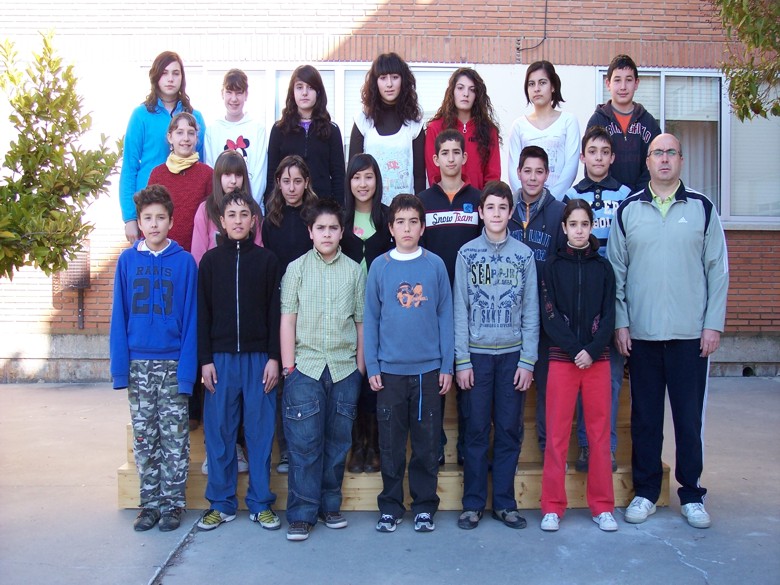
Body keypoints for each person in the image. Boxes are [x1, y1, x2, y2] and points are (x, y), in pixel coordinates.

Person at [607, 133, 728, 529]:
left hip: (690, 337)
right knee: (645, 419)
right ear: (647, 161)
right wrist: (621, 322)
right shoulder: (629, 210)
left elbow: (718, 270)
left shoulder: (702, 209)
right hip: (641, 336)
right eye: (657, 153)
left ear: (681, 160)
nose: (663, 159)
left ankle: (691, 494)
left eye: (670, 152)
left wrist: (712, 324)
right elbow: (616, 273)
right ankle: (645, 492)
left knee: (688, 420)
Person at [364, 194, 454, 534]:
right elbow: (371, 318)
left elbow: (445, 315)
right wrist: (372, 365)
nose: (406, 228)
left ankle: (424, 506)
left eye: (413, 222)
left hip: (428, 371)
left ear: (422, 227)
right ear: (390, 228)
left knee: (426, 444)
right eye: (400, 222)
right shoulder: (380, 267)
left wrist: (446, 365)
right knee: (390, 444)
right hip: (389, 372)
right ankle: (390, 506)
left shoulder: (434, 265)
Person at [109, 184, 197, 533]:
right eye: (148, 218)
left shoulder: (185, 263)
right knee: (145, 438)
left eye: (161, 217)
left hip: (173, 364)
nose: (155, 224)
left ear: (171, 222)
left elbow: (191, 319)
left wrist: (187, 372)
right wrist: (120, 369)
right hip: (138, 365)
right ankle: (150, 504)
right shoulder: (127, 261)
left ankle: (173, 503)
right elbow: (119, 317)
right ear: (140, 223)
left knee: (175, 438)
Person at [453, 181, 539, 531]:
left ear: (511, 212)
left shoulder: (524, 256)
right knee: (475, 431)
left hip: (512, 357)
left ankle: (504, 503)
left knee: (508, 429)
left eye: (503, 207)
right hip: (477, 357)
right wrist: (462, 360)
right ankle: (473, 504)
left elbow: (531, 310)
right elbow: (460, 310)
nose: (497, 213)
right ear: (481, 212)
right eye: (490, 207)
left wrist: (528, 361)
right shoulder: (466, 254)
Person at [196, 190, 282, 532]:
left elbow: (275, 314)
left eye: (244, 214)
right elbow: (202, 315)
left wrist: (274, 357)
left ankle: (260, 504)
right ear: (221, 221)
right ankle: (221, 504)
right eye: (231, 215)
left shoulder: (267, 261)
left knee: (260, 433)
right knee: (220, 432)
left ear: (253, 221)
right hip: (220, 361)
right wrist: (205, 360)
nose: (237, 220)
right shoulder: (210, 262)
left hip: (259, 360)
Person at [280, 198, 365, 542]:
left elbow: (361, 322)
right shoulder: (297, 269)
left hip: (344, 369)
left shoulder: (354, 271)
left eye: (333, 228)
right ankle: (302, 514)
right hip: (306, 367)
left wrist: (360, 367)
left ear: (342, 232)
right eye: (320, 228)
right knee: (304, 445)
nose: (327, 234)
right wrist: (289, 366)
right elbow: (288, 319)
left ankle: (330, 506)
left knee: (338, 443)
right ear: (310, 232)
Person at [539, 199, 618, 533]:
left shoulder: (603, 268)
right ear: (564, 228)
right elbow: (549, 315)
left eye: (585, 224)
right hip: (563, 359)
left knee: (599, 436)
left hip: (597, 360)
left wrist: (592, 349)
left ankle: (602, 506)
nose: (579, 230)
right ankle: (552, 506)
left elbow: (610, 314)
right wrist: (575, 350)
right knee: (556, 435)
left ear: (592, 226)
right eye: (573, 224)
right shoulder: (552, 267)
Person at [563, 126, 631, 473]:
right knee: (579, 377)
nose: (599, 158)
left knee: (611, 379)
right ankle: (586, 446)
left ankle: (607, 448)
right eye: (593, 151)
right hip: (580, 298)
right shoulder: (571, 196)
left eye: (605, 152)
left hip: (612, 298)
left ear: (613, 157)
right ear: (583, 156)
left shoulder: (627, 196)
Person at [418, 128, 482, 466]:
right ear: (435, 159)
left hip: (473, 304)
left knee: (467, 377)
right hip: (435, 304)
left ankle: (468, 446)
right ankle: (435, 445)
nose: (451, 158)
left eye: (457, 152)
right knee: (437, 377)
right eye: (445, 153)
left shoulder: (479, 199)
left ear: (465, 157)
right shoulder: (423, 201)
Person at [262, 155, 319, 475]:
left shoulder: (315, 216)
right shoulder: (271, 220)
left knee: (309, 375)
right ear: (278, 183)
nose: (292, 188)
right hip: (282, 305)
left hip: (313, 302)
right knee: (286, 376)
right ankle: (286, 450)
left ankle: (310, 446)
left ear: (307, 182)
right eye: (286, 181)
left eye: (298, 181)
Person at [508, 145, 566, 459]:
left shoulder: (559, 212)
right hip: (510, 316)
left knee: (546, 386)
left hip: (545, 316)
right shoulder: (506, 209)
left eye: (539, 172)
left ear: (547, 175)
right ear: (518, 173)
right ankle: (511, 452)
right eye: (527, 171)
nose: (532, 177)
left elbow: (562, 265)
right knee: (513, 388)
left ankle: (548, 452)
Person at [340, 153, 393, 474]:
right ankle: (356, 445)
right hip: (346, 315)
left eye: (368, 177)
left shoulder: (387, 219)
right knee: (353, 379)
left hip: (382, 315)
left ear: (377, 180)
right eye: (357, 177)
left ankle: (373, 445)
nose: (363, 184)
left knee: (376, 378)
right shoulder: (341, 220)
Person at [119, 51, 206, 243]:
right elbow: (129, 168)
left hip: (188, 214)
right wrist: (130, 218)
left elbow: (202, 166)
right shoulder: (140, 116)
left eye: (176, 73)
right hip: (150, 213)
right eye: (165, 73)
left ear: (182, 77)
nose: (170, 79)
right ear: (156, 76)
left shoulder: (195, 117)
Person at [349, 52, 425, 204]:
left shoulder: (415, 123)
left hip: (405, 211)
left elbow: (419, 176)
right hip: (371, 209)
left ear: (403, 80)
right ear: (375, 82)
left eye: (395, 77)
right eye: (383, 78)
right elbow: (353, 173)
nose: (389, 84)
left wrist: (418, 209)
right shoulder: (363, 121)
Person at [265, 65, 345, 205]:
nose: (304, 93)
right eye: (299, 87)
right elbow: (272, 175)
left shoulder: (331, 130)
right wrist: (271, 210)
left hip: (322, 209)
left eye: (310, 87)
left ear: (318, 92)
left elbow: (338, 177)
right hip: (287, 208)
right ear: (292, 92)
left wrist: (338, 211)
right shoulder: (279, 129)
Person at [587, 54, 662, 193]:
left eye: (628, 80)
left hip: (641, 198)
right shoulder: (597, 121)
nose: (623, 87)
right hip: (607, 196)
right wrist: (614, 192)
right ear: (608, 84)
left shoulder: (648, 123)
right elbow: (591, 163)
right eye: (617, 80)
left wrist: (637, 195)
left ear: (636, 83)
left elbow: (655, 163)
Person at [508, 61, 580, 200]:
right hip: (526, 205)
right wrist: (527, 201)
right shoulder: (519, 125)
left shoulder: (568, 121)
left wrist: (549, 202)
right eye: (531, 84)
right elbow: (513, 171)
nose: (536, 89)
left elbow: (571, 167)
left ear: (553, 86)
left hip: (558, 204)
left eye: (542, 83)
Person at [425, 67, 501, 190]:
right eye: (460, 88)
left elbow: (493, 176)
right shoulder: (435, 128)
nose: (466, 94)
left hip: (479, 200)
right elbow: (434, 174)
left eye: (472, 90)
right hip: (446, 199)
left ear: (477, 95)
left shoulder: (489, 130)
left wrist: (484, 199)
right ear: (452, 91)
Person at [147, 112, 213, 253]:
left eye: (191, 133)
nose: (186, 138)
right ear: (170, 137)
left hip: (197, 252)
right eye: (180, 132)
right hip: (164, 252)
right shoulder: (157, 174)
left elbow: (212, 220)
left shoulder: (207, 174)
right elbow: (149, 213)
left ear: (196, 138)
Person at [204, 69, 267, 209]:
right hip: (220, 209)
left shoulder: (257, 129)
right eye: (229, 92)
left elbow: (260, 175)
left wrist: (248, 208)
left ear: (246, 95)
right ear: (222, 93)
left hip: (251, 208)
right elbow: (211, 172)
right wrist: (223, 208)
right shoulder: (213, 130)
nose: (234, 99)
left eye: (239, 93)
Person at [191, 150, 263, 266]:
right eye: (227, 174)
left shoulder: (253, 209)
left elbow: (259, 254)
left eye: (238, 175)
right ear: (218, 177)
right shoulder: (206, 209)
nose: (233, 181)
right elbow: (198, 255)